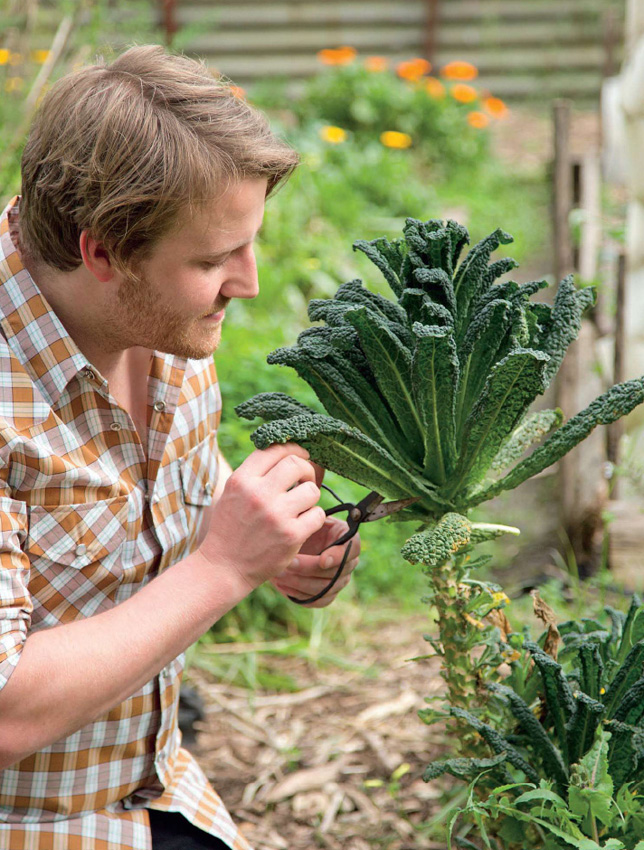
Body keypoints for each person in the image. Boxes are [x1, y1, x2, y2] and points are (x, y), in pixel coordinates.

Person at [0, 44, 360, 849]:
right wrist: (224, 568)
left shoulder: (159, 320)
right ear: (102, 252)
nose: (250, 282)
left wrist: (281, 550)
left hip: (159, 793)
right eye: (211, 260)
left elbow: (162, 504)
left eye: (248, 243)